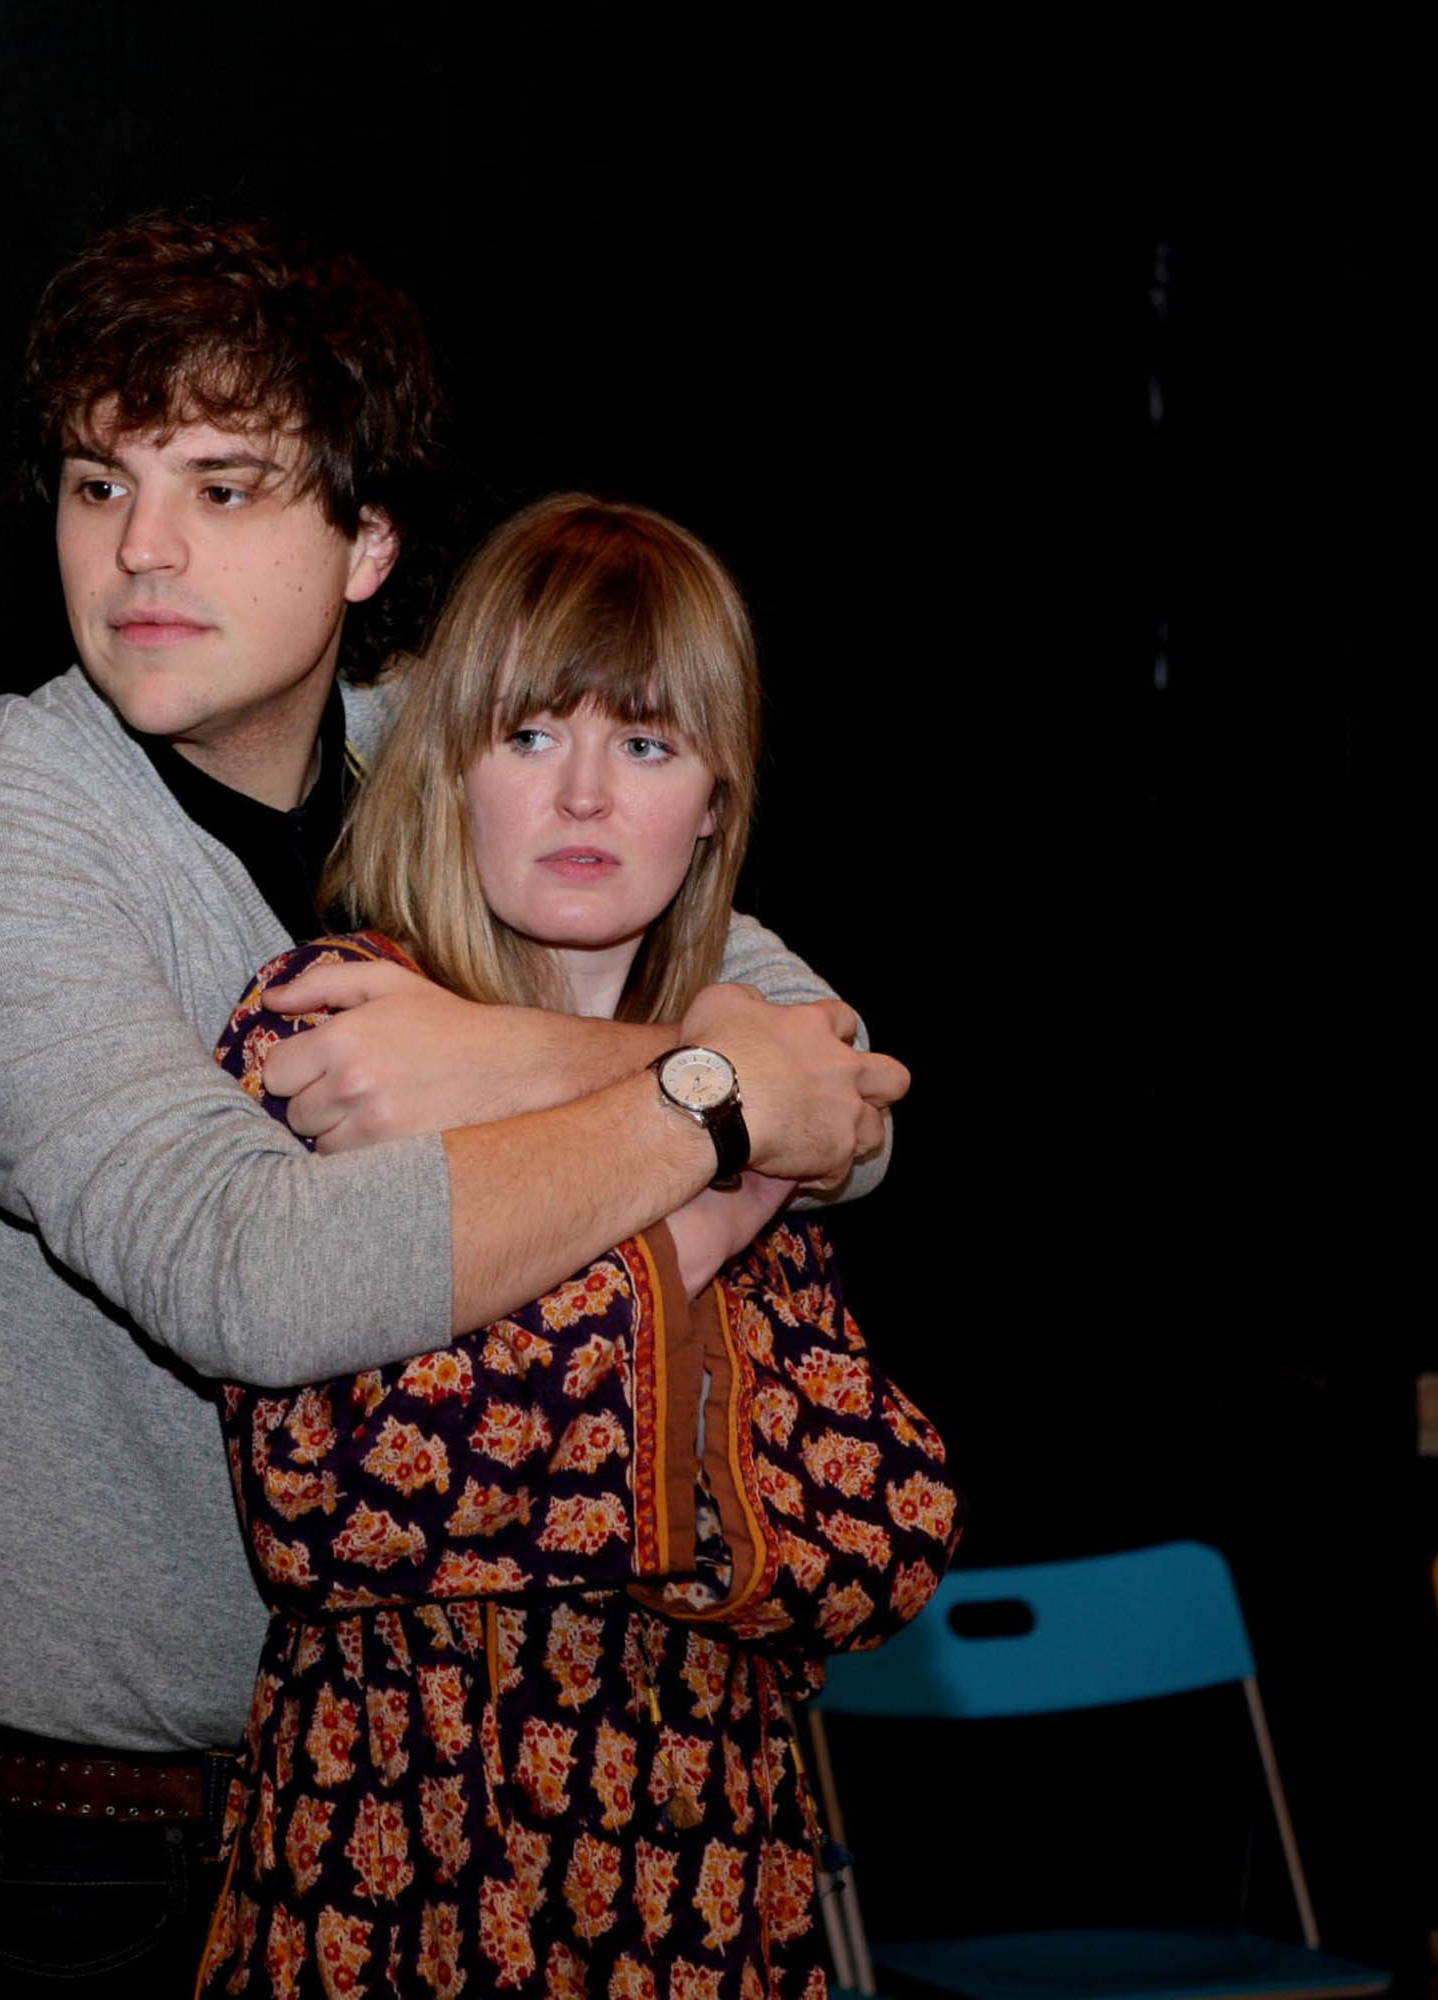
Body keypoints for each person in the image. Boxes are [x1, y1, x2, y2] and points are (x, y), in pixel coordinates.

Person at [0, 212, 909, 1987]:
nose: (142, 550)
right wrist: (708, 1097)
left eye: (225, 488)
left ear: (367, 542)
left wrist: (511, 1059)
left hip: (454, 1783)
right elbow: (253, 1282)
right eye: (100, 486)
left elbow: (837, 1084)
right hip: (109, 1838)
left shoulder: (444, 748)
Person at [194, 494, 956, 1996]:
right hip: (402, 1875)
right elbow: (340, 1498)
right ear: (451, 767)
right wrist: (711, 1205)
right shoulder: (341, 1026)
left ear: (717, 802)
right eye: (532, 736)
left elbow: (879, 1531)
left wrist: (534, 1367)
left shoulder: (757, 1058)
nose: (587, 797)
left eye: (649, 745)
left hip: (705, 1887)